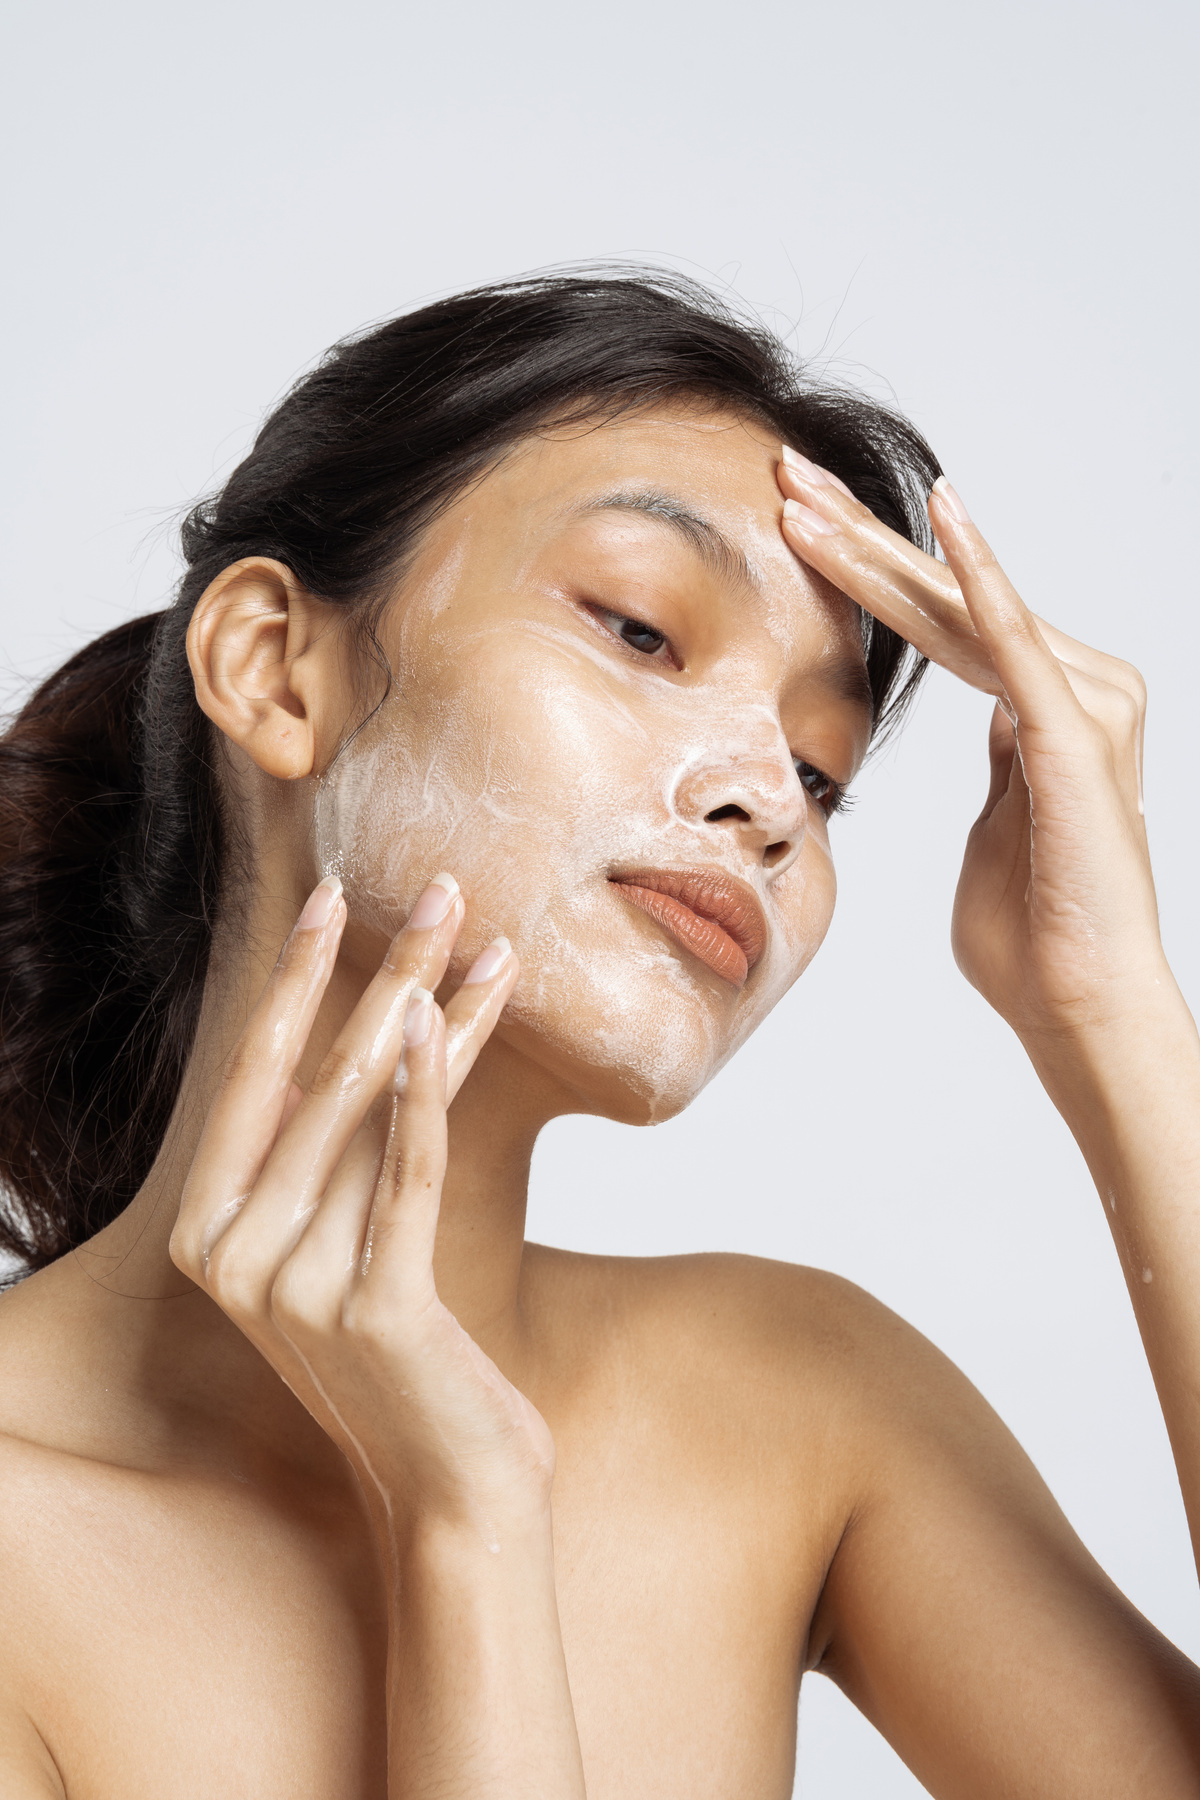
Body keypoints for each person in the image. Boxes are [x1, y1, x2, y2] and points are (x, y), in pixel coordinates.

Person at [0, 270, 1196, 1799]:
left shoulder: (797, 1403)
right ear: (273, 670)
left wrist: (1109, 1007)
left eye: (823, 776)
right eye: (641, 628)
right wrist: (468, 1527)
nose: (767, 794)